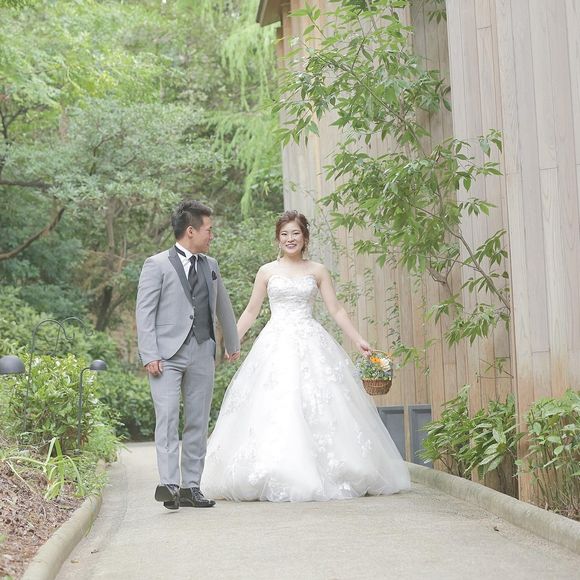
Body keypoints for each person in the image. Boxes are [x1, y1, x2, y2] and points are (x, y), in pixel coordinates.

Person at [201, 210, 410, 502]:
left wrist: (358, 340)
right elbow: (251, 310)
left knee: (321, 401)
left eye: (295, 233)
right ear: (278, 238)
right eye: (284, 234)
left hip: (311, 341)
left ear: (305, 237)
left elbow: (336, 309)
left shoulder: (318, 270)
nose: (290, 239)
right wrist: (233, 341)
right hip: (275, 343)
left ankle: (334, 469)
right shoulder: (266, 271)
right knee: (276, 401)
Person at [136, 200, 240, 510]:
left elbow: (223, 306)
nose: (212, 235)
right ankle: (169, 485)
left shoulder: (211, 265)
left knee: (197, 420)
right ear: (191, 230)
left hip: (202, 350)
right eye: (209, 230)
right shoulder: (156, 264)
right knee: (167, 417)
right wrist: (149, 354)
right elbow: (144, 312)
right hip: (165, 356)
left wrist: (231, 342)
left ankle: (191, 487)